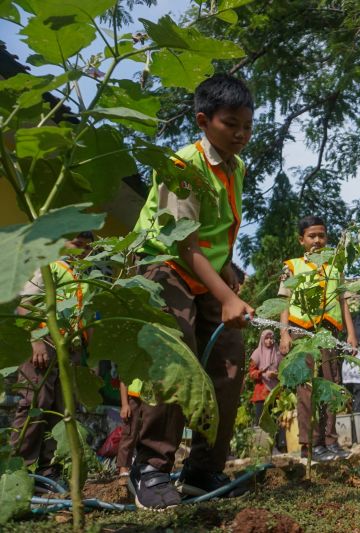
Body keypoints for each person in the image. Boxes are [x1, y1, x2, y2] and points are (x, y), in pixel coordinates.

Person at [130, 73, 255, 509]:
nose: (240, 134)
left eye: (247, 126)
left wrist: (229, 278)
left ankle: (203, 471)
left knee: (230, 361)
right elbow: (184, 242)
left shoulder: (236, 167)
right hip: (165, 265)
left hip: (207, 271)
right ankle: (150, 468)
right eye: (230, 123)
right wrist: (225, 296)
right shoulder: (182, 165)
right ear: (203, 120)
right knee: (175, 356)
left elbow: (218, 231)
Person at [10, 232, 93, 492]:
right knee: (36, 403)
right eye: (75, 241)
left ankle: (49, 470)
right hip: (44, 343)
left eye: (87, 244)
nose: (82, 247)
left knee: (62, 409)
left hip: (70, 348)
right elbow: (25, 304)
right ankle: (18, 468)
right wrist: (36, 339)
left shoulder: (83, 275)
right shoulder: (48, 265)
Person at [278, 215, 358, 462]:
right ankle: (309, 444)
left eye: (321, 235)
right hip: (302, 333)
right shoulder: (291, 267)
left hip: (329, 334)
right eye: (311, 236)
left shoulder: (336, 266)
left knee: (332, 385)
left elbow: (343, 301)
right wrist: (283, 333)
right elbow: (283, 301)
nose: (317, 240)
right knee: (307, 388)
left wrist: (352, 334)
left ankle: (330, 442)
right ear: (301, 240)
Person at [248, 330, 287, 452]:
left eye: (271, 338)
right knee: (261, 420)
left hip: (276, 392)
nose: (269, 341)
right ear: (262, 339)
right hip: (262, 392)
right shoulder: (256, 354)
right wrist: (263, 373)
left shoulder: (277, 353)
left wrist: (276, 375)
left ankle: (279, 446)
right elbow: (251, 374)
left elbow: (283, 371)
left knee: (277, 418)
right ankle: (262, 448)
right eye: (267, 338)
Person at [116, 379, 143, 485]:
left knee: (148, 434)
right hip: (134, 398)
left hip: (151, 399)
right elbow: (123, 380)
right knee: (129, 433)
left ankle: (143, 466)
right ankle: (123, 469)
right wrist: (125, 404)